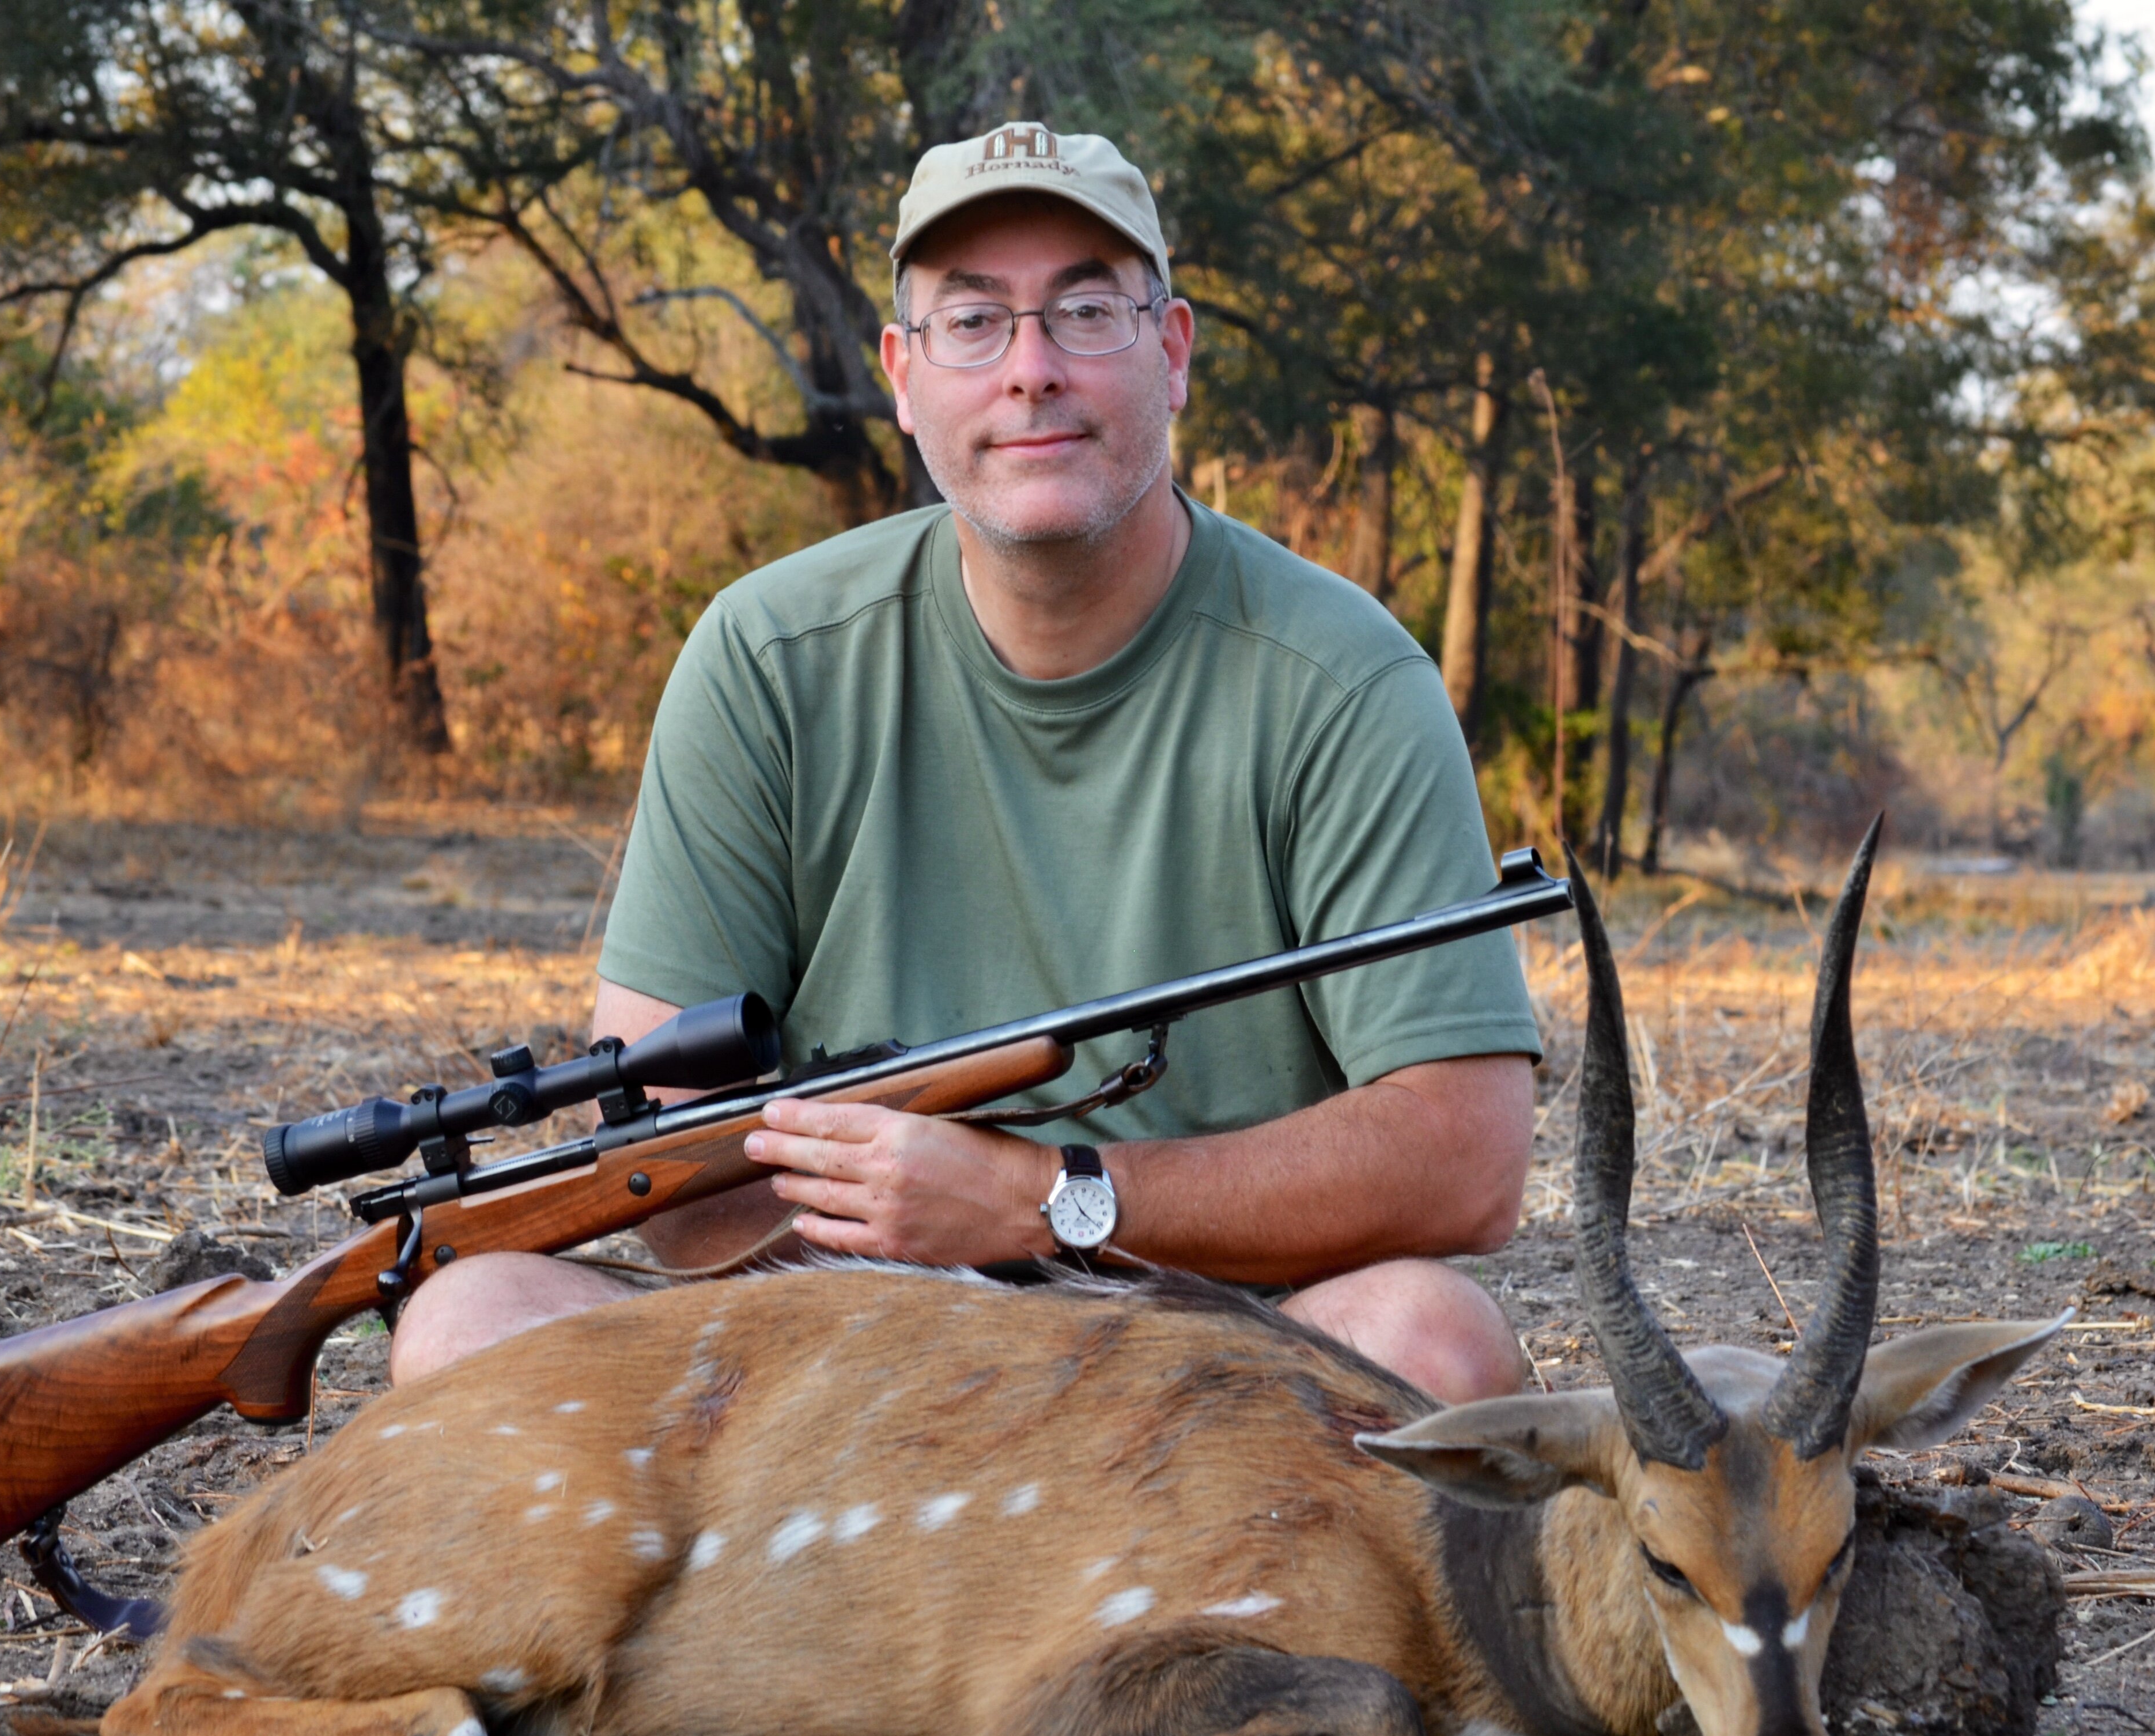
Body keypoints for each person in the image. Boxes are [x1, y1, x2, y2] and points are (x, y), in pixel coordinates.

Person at [387, 123, 1544, 1404]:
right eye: (974, 322)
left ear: (1172, 353)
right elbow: (670, 1185)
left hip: (1203, 1385)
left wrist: (1046, 1202)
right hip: (829, 1376)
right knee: (470, 1322)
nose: (1031, 371)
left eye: (1086, 311)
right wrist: (887, 1212)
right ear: (900, 373)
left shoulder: (1343, 677)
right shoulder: (768, 653)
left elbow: (1466, 1159)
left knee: (1430, 1342)